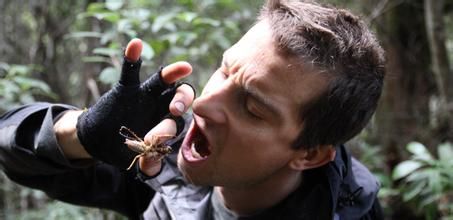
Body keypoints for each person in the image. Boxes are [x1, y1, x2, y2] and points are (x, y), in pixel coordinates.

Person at [0, 0, 385, 219]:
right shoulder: (164, 159)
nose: (203, 103)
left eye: (252, 108)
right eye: (224, 69)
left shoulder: (355, 210)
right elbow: (12, 153)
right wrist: (80, 134)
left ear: (310, 154)